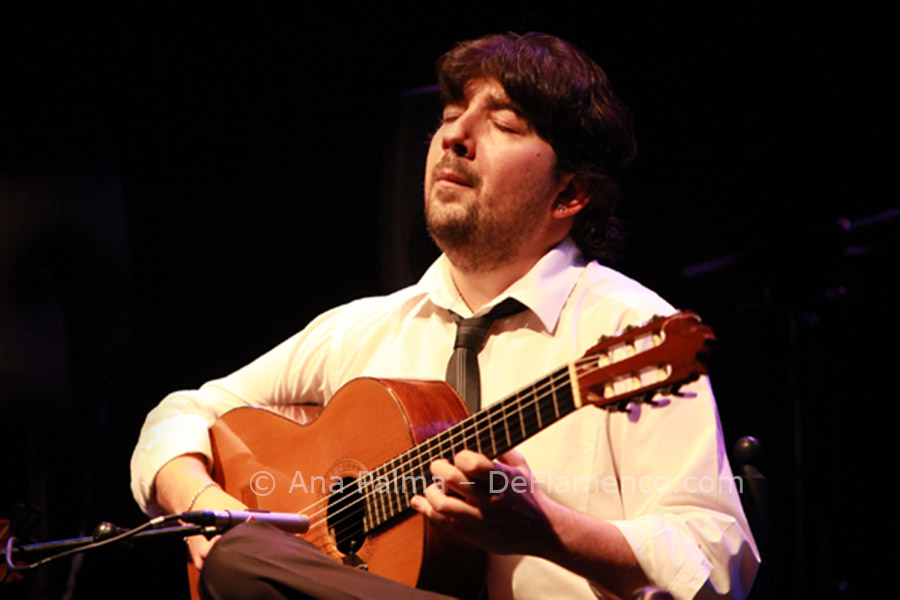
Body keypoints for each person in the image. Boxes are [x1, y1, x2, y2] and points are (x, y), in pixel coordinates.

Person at [131, 32, 759, 600]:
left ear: (569, 193)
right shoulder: (368, 327)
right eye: (452, 116)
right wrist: (210, 510)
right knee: (241, 558)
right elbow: (180, 414)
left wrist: (547, 531)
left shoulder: (626, 333)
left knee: (243, 568)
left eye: (505, 124)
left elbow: (717, 564)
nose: (455, 137)